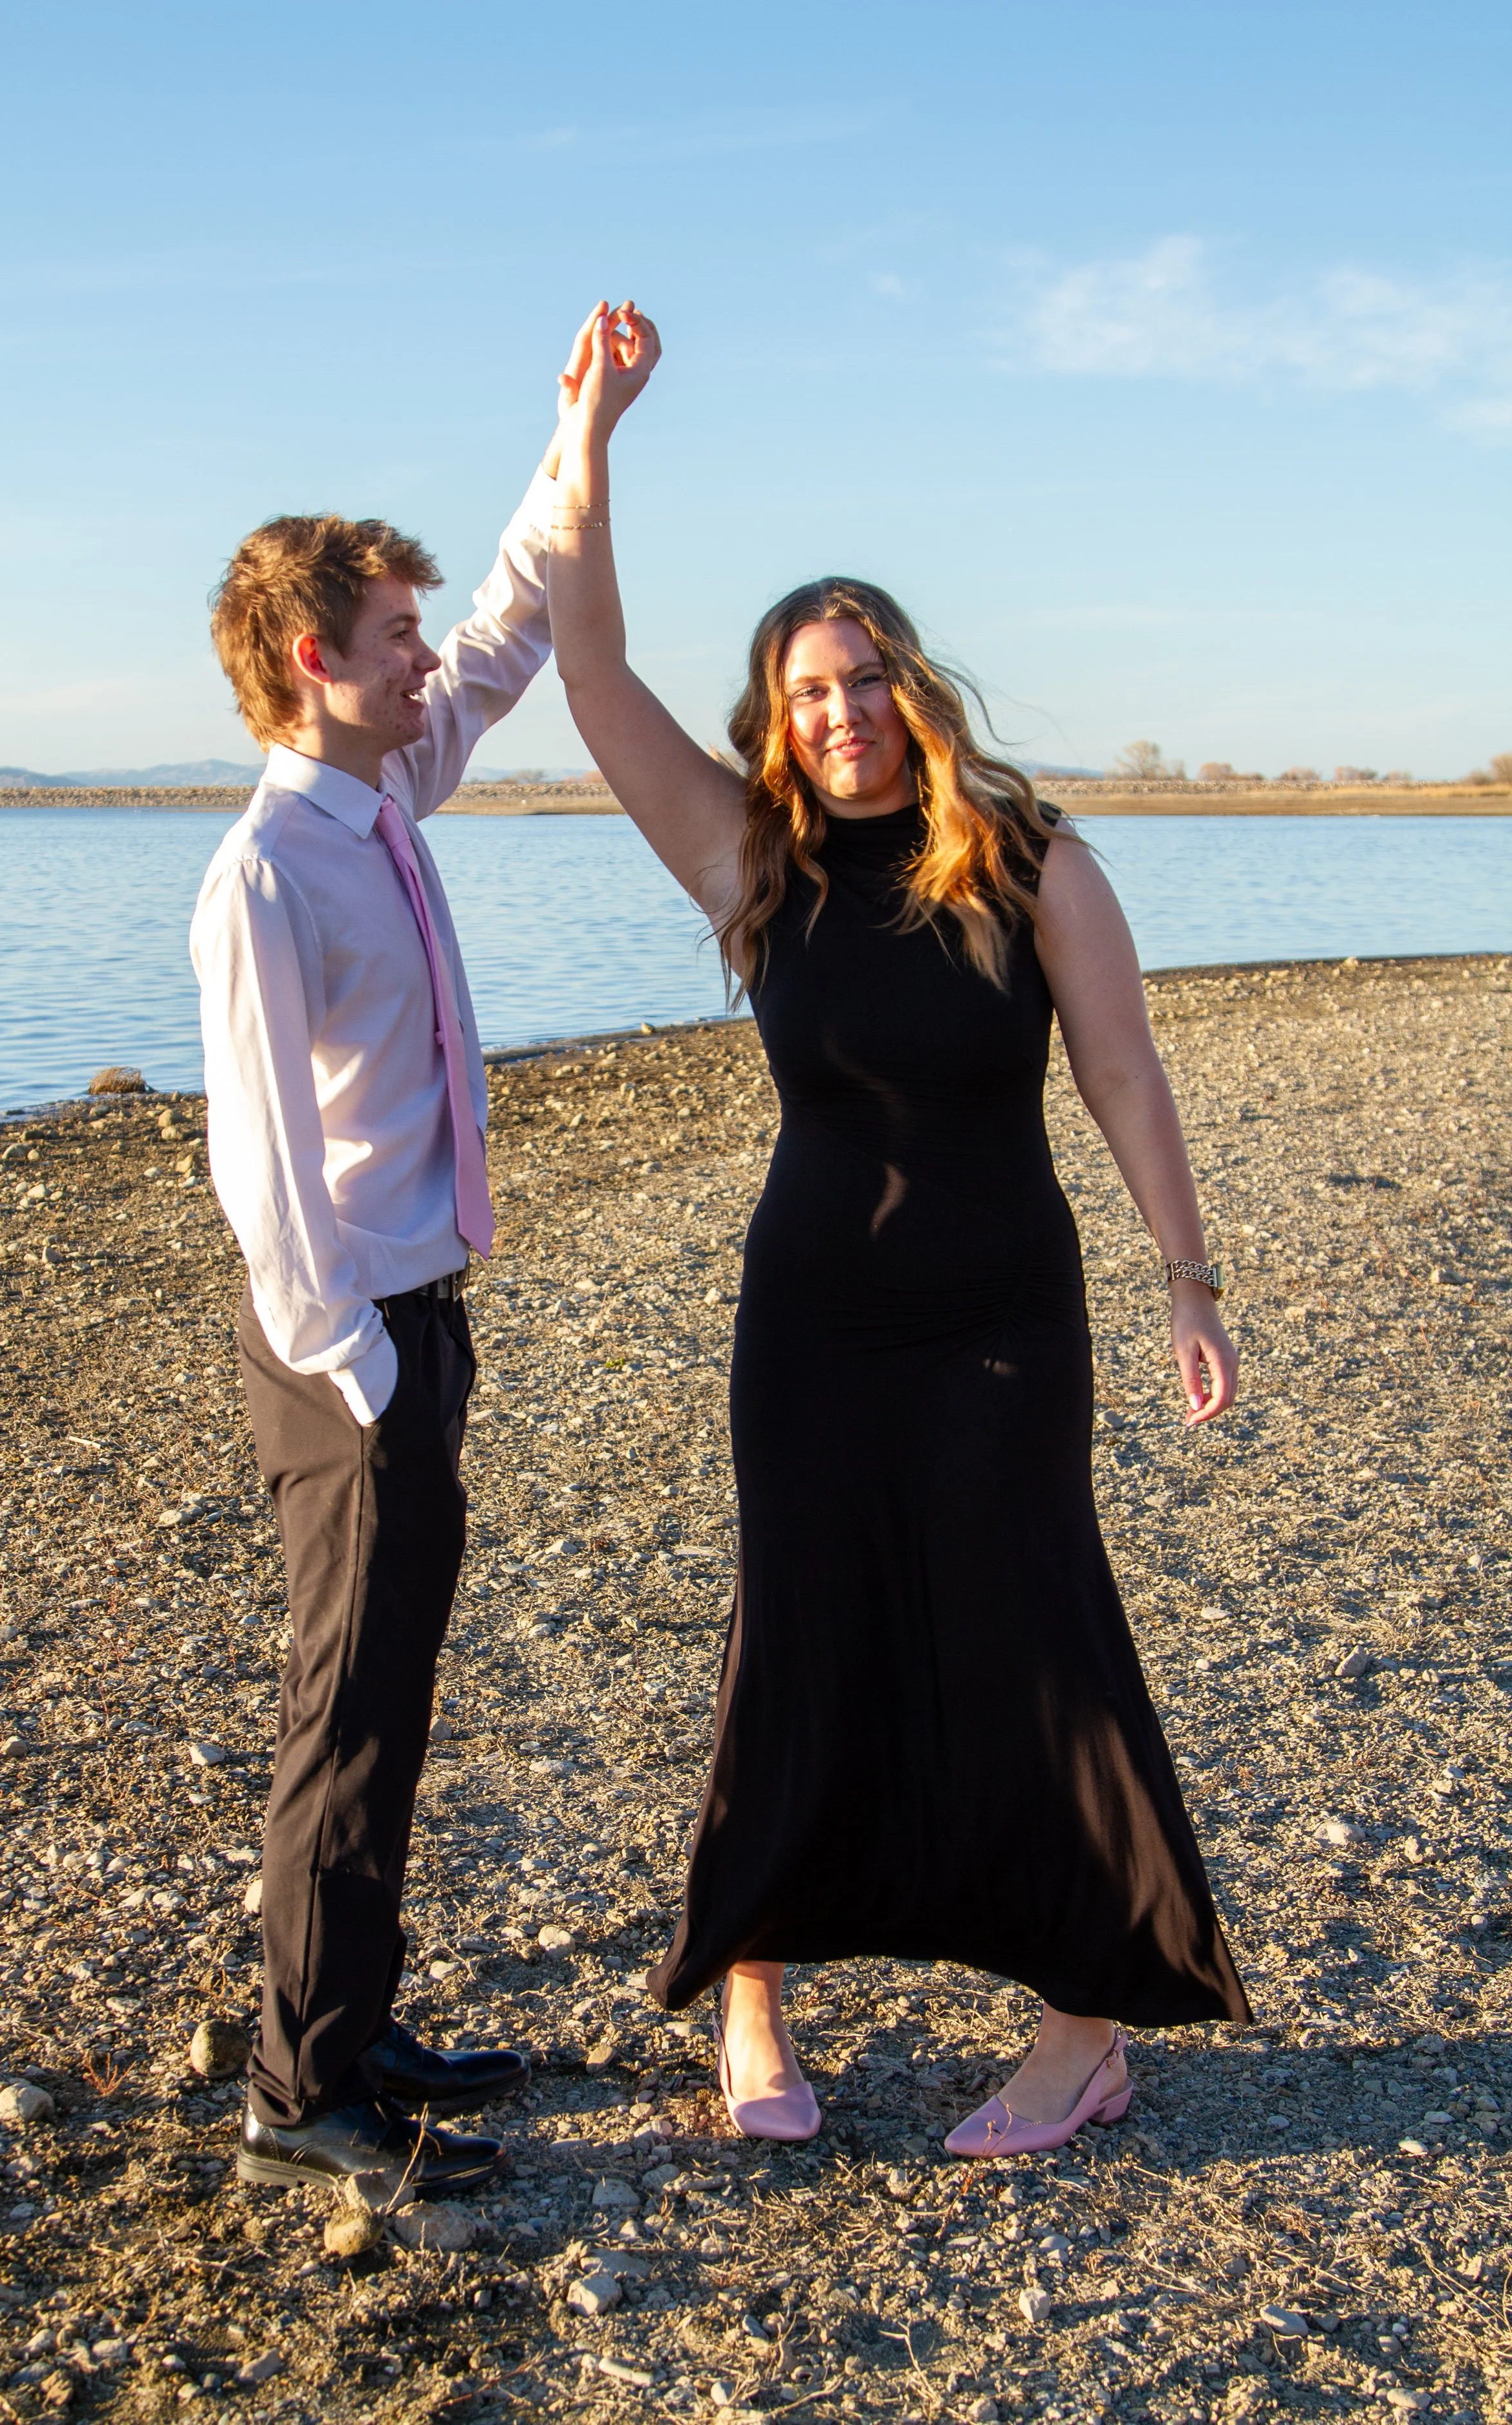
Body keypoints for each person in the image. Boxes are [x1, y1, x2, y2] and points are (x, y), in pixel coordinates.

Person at [545, 304, 1252, 2157]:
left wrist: (1187, 1281)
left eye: (862, 678)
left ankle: (1081, 2030)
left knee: (1036, 1632)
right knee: (800, 1630)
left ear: (911, 688)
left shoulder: (1033, 863)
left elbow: (1125, 1077)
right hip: (813, 1323)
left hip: (1003, 1314)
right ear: (775, 721)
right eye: (806, 692)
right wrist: (590, 437)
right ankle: (753, 2005)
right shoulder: (753, 864)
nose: (839, 711)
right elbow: (589, 666)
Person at [189, 329, 647, 2197]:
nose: (423, 659)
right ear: (314, 658)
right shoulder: (266, 871)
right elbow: (259, 1165)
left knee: (395, 1696)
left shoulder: (388, 794)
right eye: (392, 636)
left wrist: (578, 430)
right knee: (345, 1711)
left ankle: (354, 2025)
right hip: (347, 1346)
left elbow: (519, 619)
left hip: (415, 1318)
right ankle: (301, 2097)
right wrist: (362, 1366)